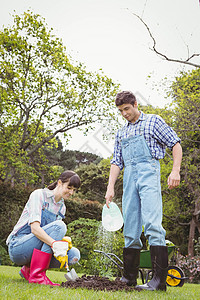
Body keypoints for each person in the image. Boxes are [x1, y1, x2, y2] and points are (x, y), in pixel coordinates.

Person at [105, 91, 182, 291]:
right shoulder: (121, 133)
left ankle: (158, 282)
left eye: (127, 109)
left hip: (149, 173)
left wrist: (175, 171)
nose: (124, 114)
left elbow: (175, 143)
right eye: (120, 111)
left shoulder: (153, 122)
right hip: (129, 177)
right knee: (130, 226)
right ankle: (129, 278)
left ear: (135, 104)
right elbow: (116, 161)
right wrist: (110, 187)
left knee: (152, 225)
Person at [6, 170, 81, 286]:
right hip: (18, 246)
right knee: (60, 226)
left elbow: (53, 233)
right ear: (60, 183)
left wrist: (62, 242)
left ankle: (28, 270)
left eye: (74, 190)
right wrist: (55, 243)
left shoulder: (62, 207)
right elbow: (35, 229)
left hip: (36, 247)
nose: (71, 192)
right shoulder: (39, 195)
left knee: (74, 255)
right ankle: (37, 275)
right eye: (69, 187)